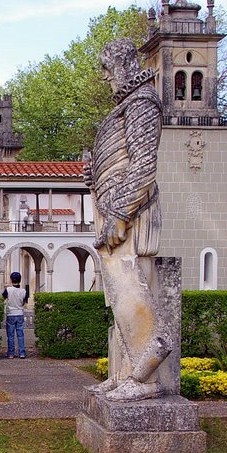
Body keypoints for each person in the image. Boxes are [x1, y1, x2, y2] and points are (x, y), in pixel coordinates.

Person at [84, 38, 170, 402]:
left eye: (107, 69)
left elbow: (143, 166)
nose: (105, 78)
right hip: (117, 214)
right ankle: (122, 376)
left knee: (130, 292)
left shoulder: (142, 104)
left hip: (131, 216)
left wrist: (119, 214)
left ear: (123, 66)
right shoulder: (128, 106)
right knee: (118, 298)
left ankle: (145, 376)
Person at [2, 271, 28, 358]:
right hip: (20, 313)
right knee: (20, 334)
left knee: (10, 335)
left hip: (10, 314)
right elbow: (24, 302)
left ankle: (11, 353)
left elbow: (2, 299)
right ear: (20, 280)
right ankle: (22, 353)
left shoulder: (8, 290)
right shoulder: (24, 291)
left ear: (11, 280)